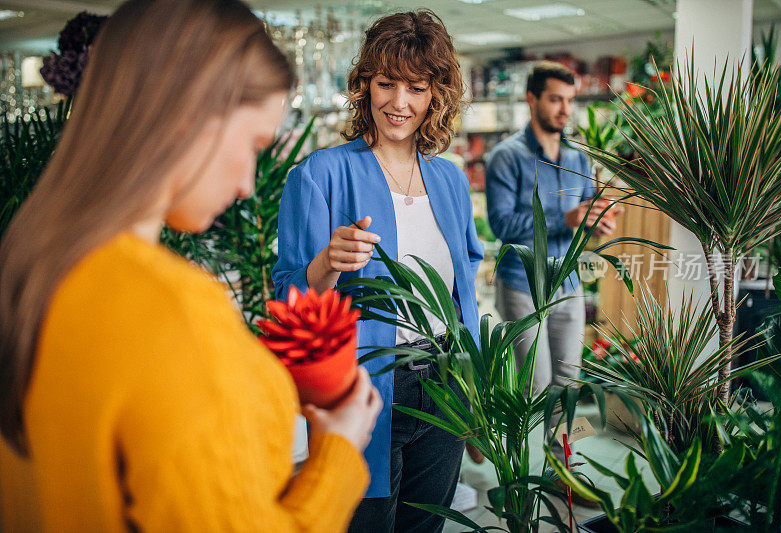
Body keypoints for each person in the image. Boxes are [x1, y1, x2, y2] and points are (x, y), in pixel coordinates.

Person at [0, 1, 381, 531]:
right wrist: (337, 453)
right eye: (252, 144)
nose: (250, 183)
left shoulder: (30, 263)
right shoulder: (171, 309)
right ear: (189, 116)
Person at [273, 10, 483, 533]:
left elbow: (465, 289)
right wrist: (324, 266)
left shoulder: (451, 182)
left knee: (426, 524)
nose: (399, 102)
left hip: (445, 384)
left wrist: (474, 384)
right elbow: (284, 298)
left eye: (416, 86)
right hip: (366, 390)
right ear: (364, 84)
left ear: (437, 94)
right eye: (386, 83)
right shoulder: (321, 174)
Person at [486, 61, 620, 394]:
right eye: (556, 99)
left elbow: (587, 211)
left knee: (569, 383)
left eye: (570, 100)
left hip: (567, 281)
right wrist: (567, 220)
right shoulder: (507, 156)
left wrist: (599, 223)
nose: (565, 110)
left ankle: (563, 449)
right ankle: (526, 447)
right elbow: (501, 224)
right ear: (532, 99)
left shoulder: (577, 158)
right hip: (522, 283)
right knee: (538, 384)